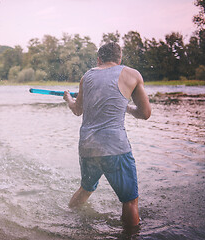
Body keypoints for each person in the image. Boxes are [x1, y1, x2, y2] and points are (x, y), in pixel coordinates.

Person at [63, 42, 151, 227]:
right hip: (114, 147)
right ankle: (131, 235)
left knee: (86, 189)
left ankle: (66, 221)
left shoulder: (87, 76)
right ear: (120, 59)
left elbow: (77, 110)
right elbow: (145, 113)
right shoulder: (132, 74)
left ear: (99, 59)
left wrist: (68, 99)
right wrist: (126, 107)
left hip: (87, 147)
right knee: (129, 201)